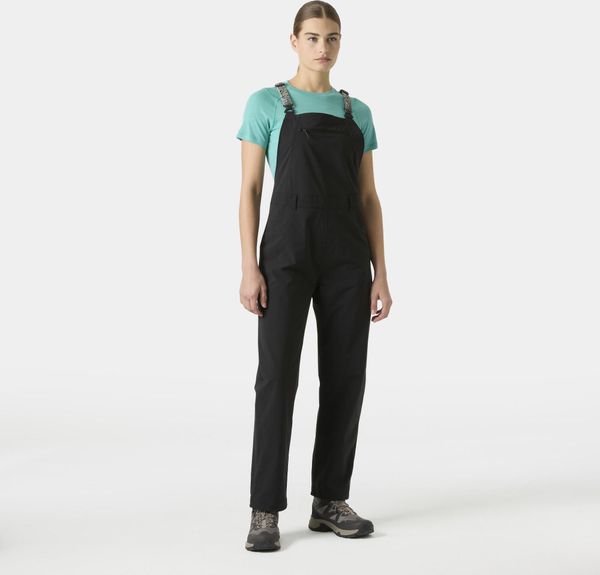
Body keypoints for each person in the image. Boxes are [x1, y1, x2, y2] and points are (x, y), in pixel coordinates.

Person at [237, 1, 392, 552]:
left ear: (340, 43)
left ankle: (330, 499)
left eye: (332, 38)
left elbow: (369, 197)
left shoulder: (357, 112)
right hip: (286, 252)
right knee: (277, 379)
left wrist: (381, 272)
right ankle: (264, 508)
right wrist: (249, 265)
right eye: (312, 37)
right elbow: (250, 190)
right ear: (294, 41)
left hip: (348, 255)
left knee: (346, 377)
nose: (322, 47)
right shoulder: (267, 102)